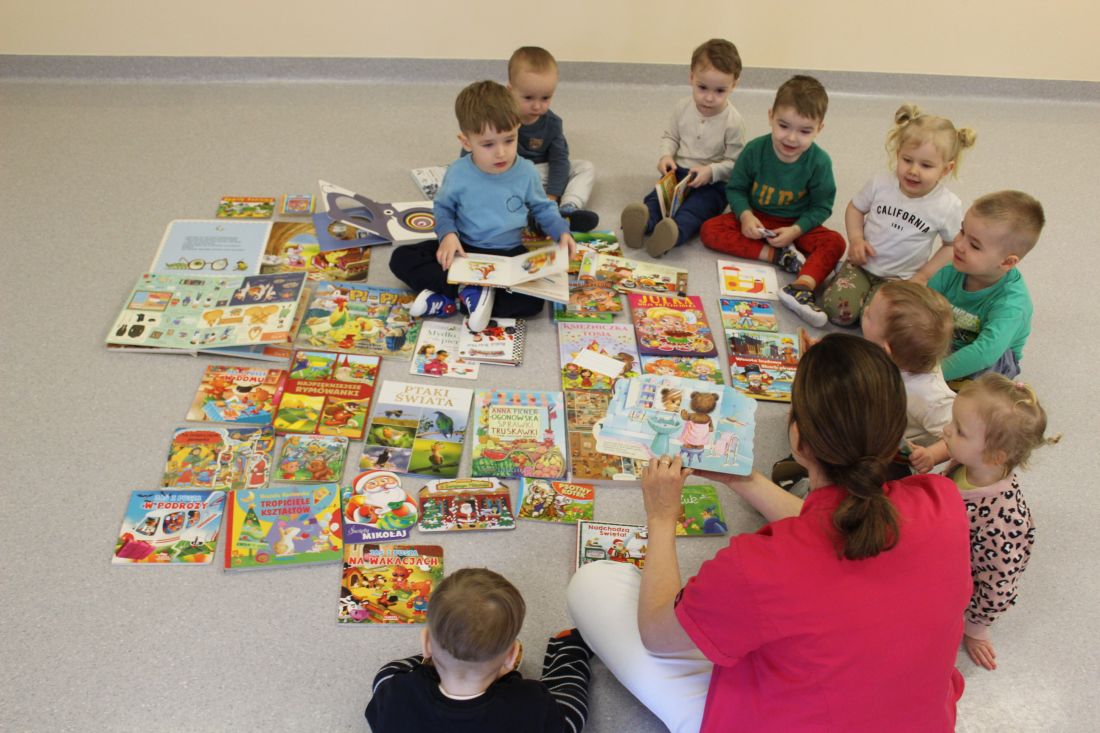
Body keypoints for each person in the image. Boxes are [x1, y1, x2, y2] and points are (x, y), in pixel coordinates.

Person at [567, 334, 972, 732]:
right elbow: (836, 525)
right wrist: (745, 479)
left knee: (592, 584)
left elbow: (657, 634)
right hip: (917, 721)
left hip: (783, 718)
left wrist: (660, 516)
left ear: (797, 437)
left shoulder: (756, 566)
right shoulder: (943, 501)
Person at [389, 80, 576, 332]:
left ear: (518, 129)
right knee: (401, 258)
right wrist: (448, 235)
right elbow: (443, 208)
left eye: (509, 140)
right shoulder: (458, 172)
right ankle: (469, 293)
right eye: (488, 144)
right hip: (463, 249)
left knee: (533, 303)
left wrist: (561, 232)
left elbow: (543, 208)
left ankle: (452, 298)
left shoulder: (527, 172)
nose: (501, 153)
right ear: (466, 142)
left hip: (509, 253)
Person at [365, 567, 594, 732]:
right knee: (566, 710)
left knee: (386, 674)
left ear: (426, 644)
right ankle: (570, 649)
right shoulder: (531, 701)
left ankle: (447, 654)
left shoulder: (396, 692)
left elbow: (377, 718)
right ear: (512, 657)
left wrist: (436, 658)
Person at [700, 74, 845, 328]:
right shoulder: (754, 150)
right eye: (784, 126)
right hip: (758, 218)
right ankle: (778, 256)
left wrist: (796, 230)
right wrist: (745, 215)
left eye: (805, 131)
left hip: (797, 224)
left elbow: (821, 206)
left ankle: (801, 287)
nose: (791, 138)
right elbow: (736, 189)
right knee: (710, 230)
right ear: (770, 116)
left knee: (836, 242)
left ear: (819, 129)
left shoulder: (819, 162)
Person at [941, 374, 1057, 671]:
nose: (946, 430)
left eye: (959, 431)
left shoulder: (1002, 522)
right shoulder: (970, 463)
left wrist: (976, 628)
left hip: (964, 581)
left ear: (995, 456)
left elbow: (999, 584)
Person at [822, 104, 975, 326]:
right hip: (861, 266)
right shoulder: (881, 183)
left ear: (945, 169)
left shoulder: (947, 205)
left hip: (901, 279)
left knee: (882, 324)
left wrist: (923, 275)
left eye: (926, 165)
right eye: (907, 160)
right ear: (898, 154)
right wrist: (856, 240)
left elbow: (951, 245)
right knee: (837, 312)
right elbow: (855, 208)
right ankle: (846, 279)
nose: (913, 170)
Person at [620, 38, 747, 257]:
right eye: (702, 87)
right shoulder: (682, 108)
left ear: (734, 85)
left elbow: (736, 163)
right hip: (679, 173)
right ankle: (644, 222)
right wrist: (666, 156)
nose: (709, 98)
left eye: (719, 91)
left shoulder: (734, 122)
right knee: (657, 199)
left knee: (695, 210)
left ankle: (672, 233)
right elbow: (671, 137)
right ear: (691, 77)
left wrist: (711, 171)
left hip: (713, 184)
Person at [912, 190, 1044, 381]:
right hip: (948, 340)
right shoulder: (950, 271)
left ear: (1007, 262)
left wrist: (932, 375)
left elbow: (985, 352)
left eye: (974, 245)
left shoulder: (1012, 303)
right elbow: (924, 309)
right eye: (962, 231)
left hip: (990, 356)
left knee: (989, 379)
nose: (959, 245)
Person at [860, 281, 956, 475]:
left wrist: (931, 455)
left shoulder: (931, 397)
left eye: (870, 316)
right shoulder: (891, 355)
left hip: (890, 456)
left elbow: (957, 435)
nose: (865, 309)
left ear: (885, 350)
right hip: (873, 420)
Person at [506, 46, 599, 232]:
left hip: (541, 174)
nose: (537, 106)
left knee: (585, 167)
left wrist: (552, 197)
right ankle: (528, 213)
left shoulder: (553, 123)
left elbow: (559, 161)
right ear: (510, 91)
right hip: (511, 174)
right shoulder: (501, 118)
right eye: (528, 98)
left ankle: (568, 208)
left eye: (545, 98)